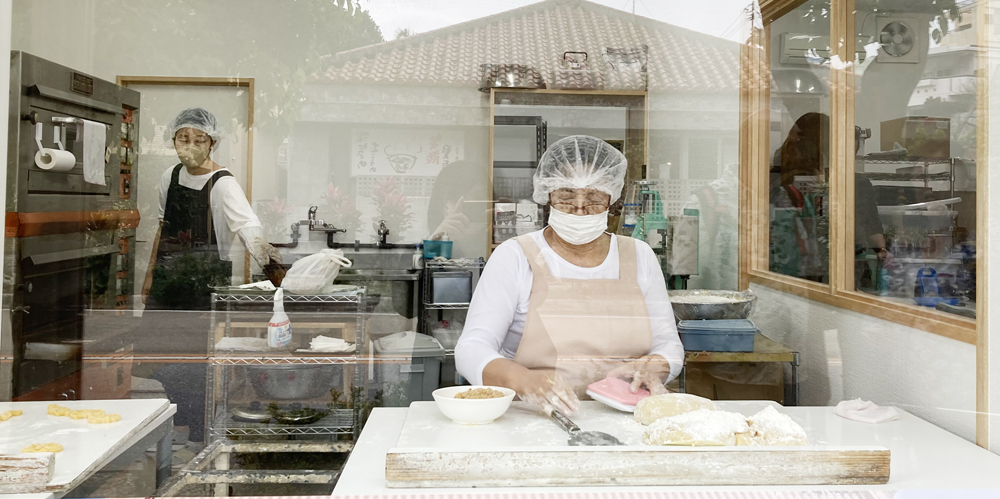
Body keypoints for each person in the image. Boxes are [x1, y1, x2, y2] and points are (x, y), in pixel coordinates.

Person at [455, 135, 684, 415]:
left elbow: (668, 343)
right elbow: (471, 348)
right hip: (535, 416)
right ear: (547, 194)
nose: (578, 208)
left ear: (611, 197)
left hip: (628, 416)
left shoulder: (640, 256)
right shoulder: (515, 256)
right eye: (566, 195)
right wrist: (524, 380)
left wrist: (656, 365)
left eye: (593, 197)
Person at [139, 108, 280, 444]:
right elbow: (162, 227)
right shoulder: (169, 177)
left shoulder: (223, 183)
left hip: (202, 284)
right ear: (173, 140)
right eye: (183, 138)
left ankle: (200, 433)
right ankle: (177, 426)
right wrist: (149, 277)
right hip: (167, 281)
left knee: (196, 364)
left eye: (198, 139)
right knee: (160, 359)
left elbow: (249, 229)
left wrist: (277, 272)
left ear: (212, 142)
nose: (190, 145)